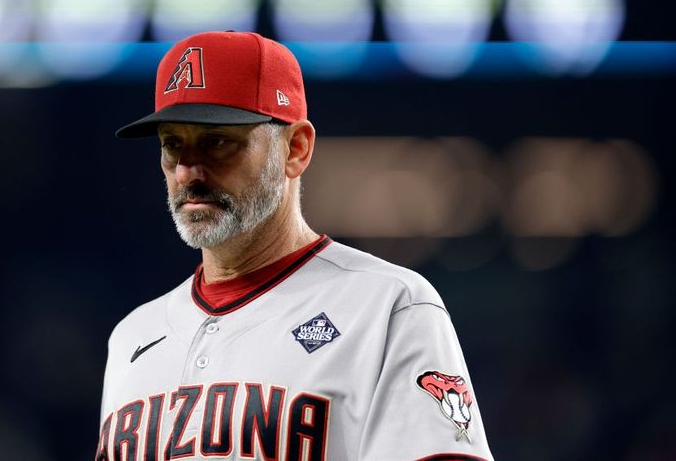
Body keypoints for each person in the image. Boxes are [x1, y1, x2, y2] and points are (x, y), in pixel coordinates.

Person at [96, 31, 494, 461]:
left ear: (296, 149)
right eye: (173, 144)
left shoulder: (387, 306)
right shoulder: (133, 336)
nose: (188, 170)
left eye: (217, 141)